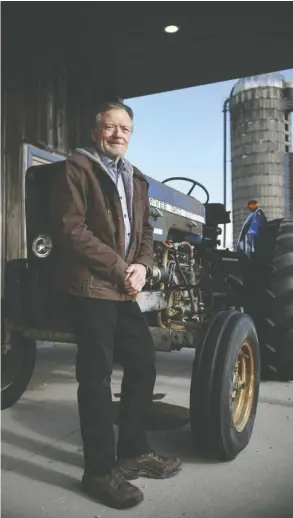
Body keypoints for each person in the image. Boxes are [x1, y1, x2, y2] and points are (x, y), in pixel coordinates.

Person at [51, 101, 181, 509]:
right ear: (96, 132)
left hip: (123, 288)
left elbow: (144, 235)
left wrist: (142, 267)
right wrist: (121, 267)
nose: (118, 134)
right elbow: (71, 229)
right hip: (92, 287)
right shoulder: (78, 167)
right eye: (110, 127)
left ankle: (132, 450)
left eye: (125, 128)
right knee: (95, 378)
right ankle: (98, 471)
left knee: (142, 362)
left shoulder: (135, 177)